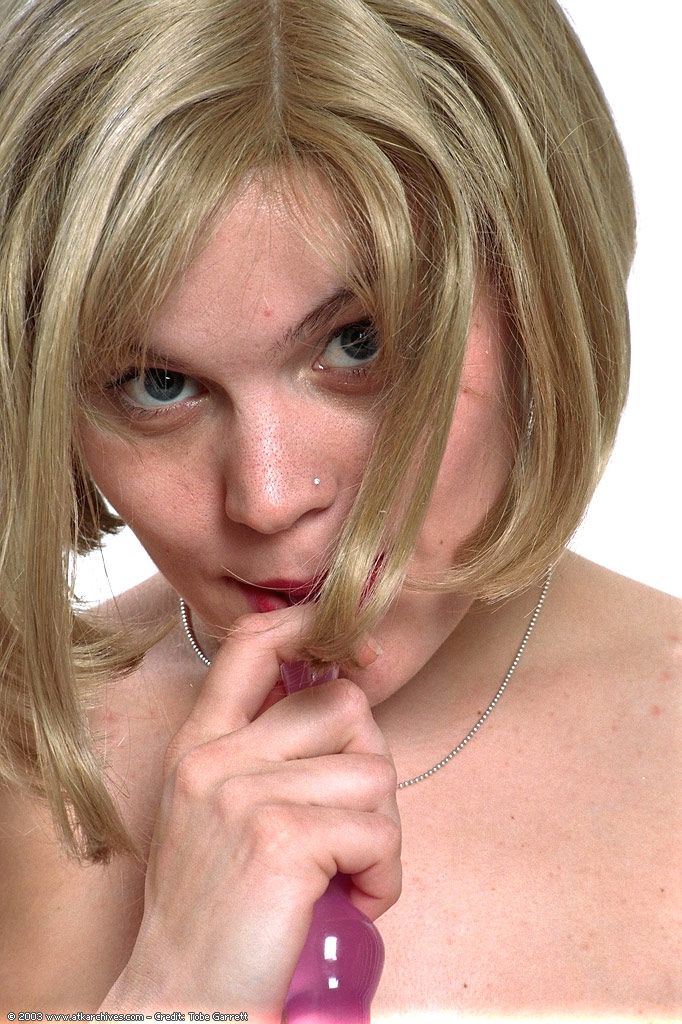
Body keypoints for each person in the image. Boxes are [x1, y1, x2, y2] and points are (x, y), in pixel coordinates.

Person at [0, 0, 679, 1019]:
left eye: (358, 343)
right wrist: (176, 986)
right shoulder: (21, 765)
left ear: (542, 292)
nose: (268, 498)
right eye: (156, 382)